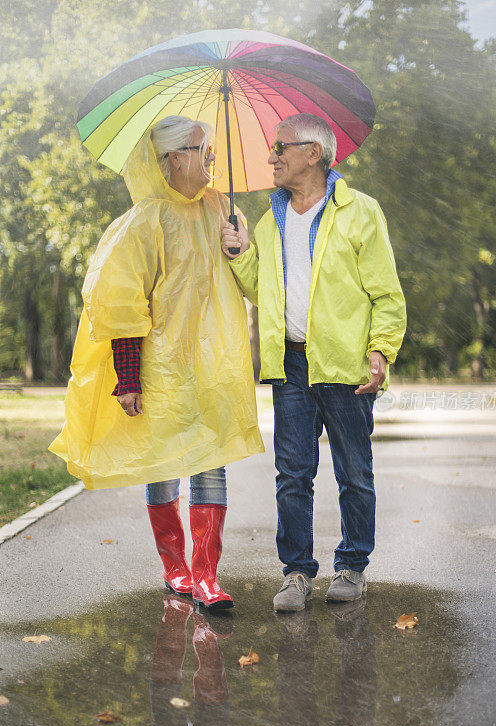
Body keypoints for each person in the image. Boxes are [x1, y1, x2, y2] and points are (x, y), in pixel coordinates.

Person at [50, 116, 264, 609]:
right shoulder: (144, 221)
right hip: (162, 371)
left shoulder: (226, 212)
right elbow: (122, 304)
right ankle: (176, 569)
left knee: (212, 466)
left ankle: (207, 576)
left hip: (215, 369)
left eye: (209, 146)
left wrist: (240, 253)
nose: (211, 155)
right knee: (163, 467)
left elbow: (255, 289)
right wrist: (128, 377)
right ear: (172, 159)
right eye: (200, 147)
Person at [221, 113, 406, 612]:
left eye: (280, 147)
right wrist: (239, 255)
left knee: (354, 472)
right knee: (292, 474)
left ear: (313, 154)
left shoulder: (360, 211)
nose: (271, 156)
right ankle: (297, 572)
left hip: (345, 366)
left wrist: (380, 348)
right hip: (292, 365)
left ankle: (351, 565)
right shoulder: (268, 218)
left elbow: (386, 293)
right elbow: (261, 290)